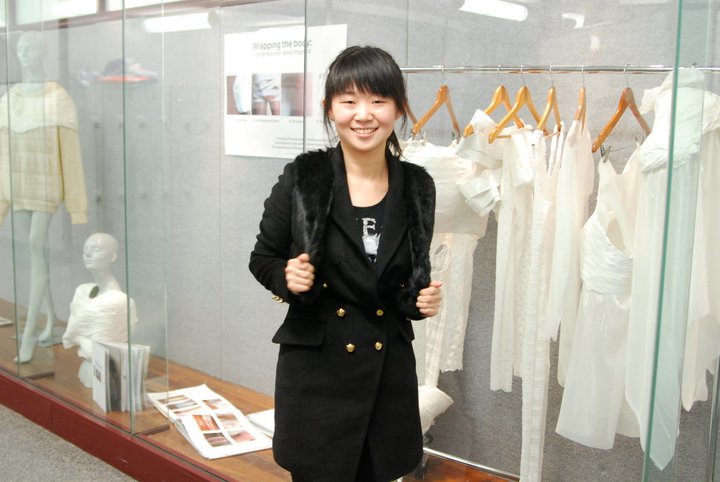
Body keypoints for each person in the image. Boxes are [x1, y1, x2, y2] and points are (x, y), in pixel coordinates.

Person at [249, 46, 442, 482]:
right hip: (318, 372)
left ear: (398, 108)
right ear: (330, 108)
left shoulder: (417, 186)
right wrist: (286, 277)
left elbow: (410, 281)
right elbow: (263, 257)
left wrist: (421, 302)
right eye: (349, 100)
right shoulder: (304, 178)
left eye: (378, 100)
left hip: (386, 373)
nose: (363, 114)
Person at [0, 31, 88, 363]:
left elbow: (71, 157)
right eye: (20, 47)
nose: (24, 52)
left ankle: (29, 335)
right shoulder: (9, 97)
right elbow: (2, 153)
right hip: (17, 186)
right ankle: (50, 321)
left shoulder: (57, 97)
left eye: (31, 47)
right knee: (34, 254)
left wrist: (77, 207)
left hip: (46, 187)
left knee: (36, 249)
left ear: (43, 52)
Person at [62, 233, 138, 388]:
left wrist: (77, 337)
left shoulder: (115, 301)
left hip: (105, 375)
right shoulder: (83, 291)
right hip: (87, 369)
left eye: (96, 249)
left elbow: (96, 348)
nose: (88, 254)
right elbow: (72, 337)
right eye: (85, 250)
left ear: (113, 256)